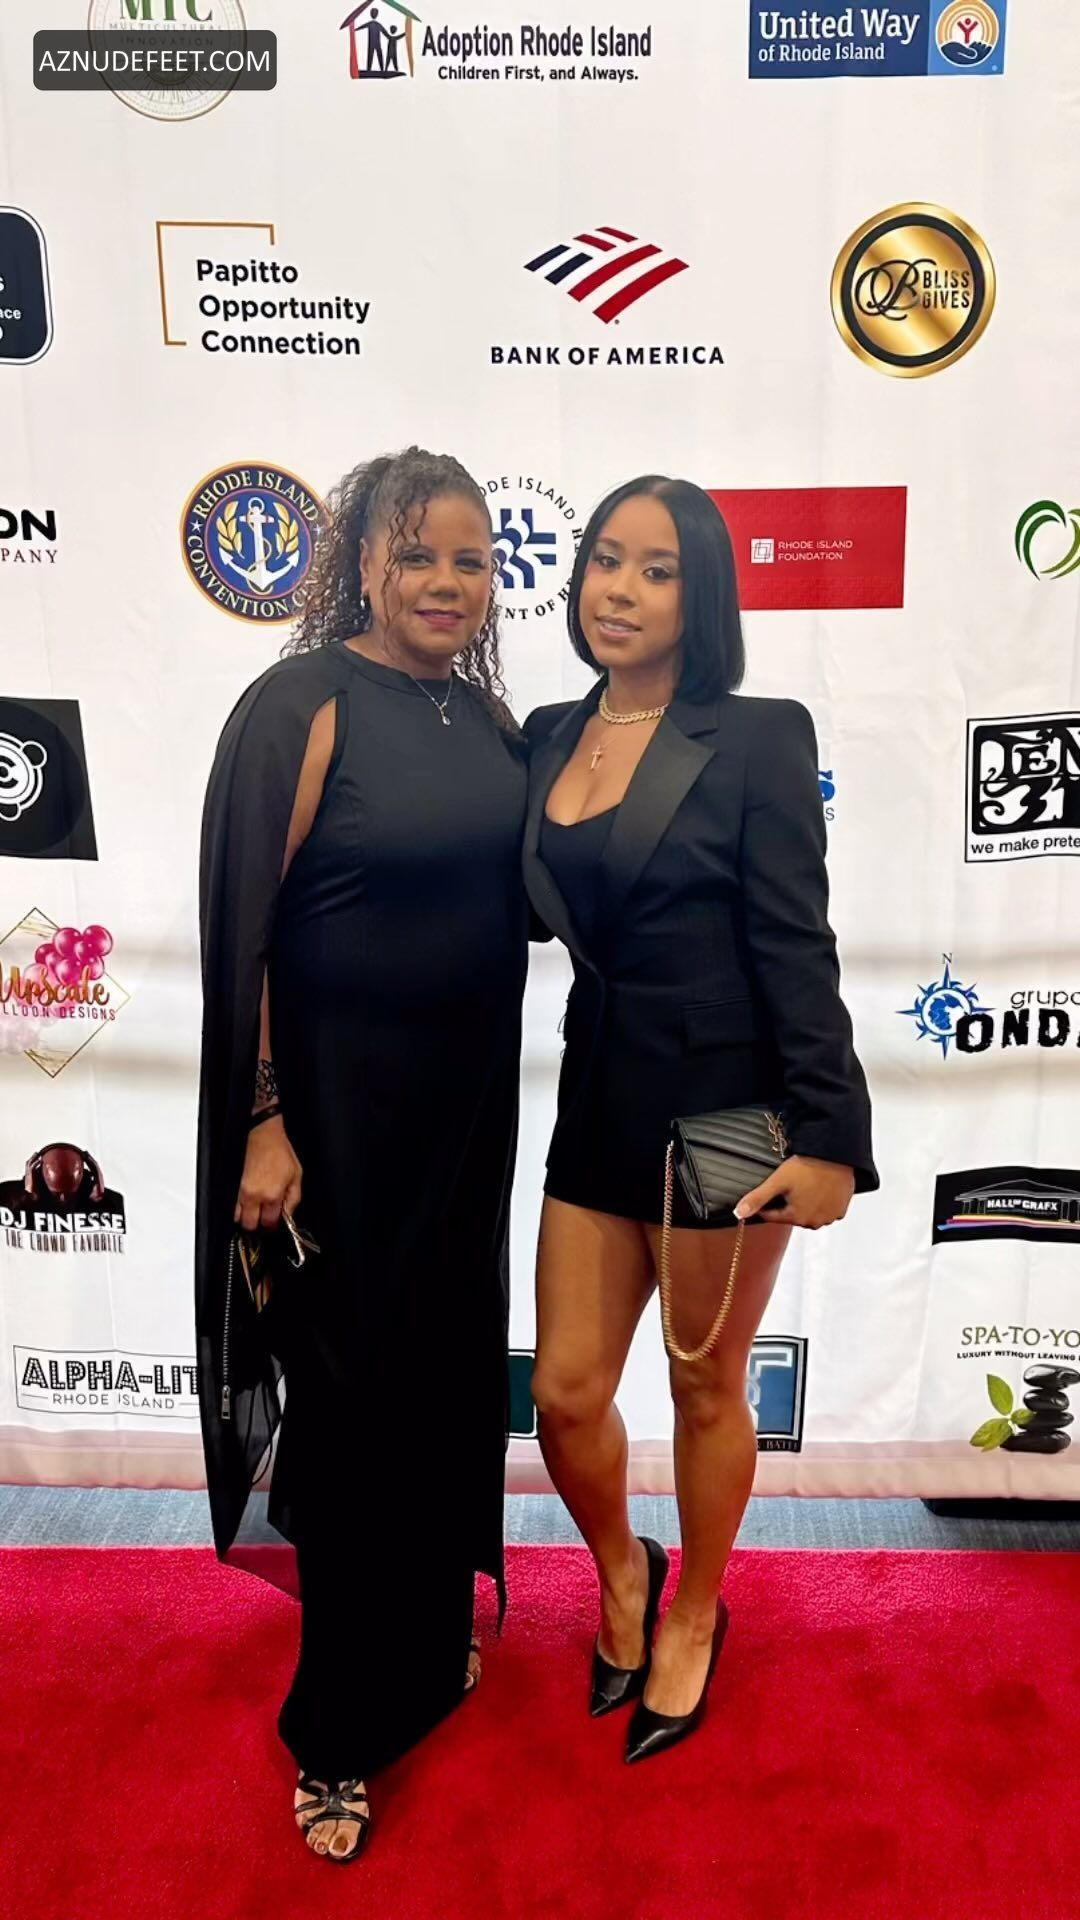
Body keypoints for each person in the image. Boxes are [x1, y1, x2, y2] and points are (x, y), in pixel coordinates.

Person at [195, 447, 529, 1862]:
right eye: (417, 555)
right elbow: (247, 928)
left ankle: (432, 1637)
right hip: (333, 1130)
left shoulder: (487, 719)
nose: (447, 583)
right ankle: (335, 1730)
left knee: (447, 1385)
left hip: (466, 1123)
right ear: (361, 562)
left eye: (471, 561)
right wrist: (264, 1118)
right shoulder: (301, 702)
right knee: (347, 1411)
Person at [522, 476, 877, 1765]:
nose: (618, 590)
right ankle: (625, 1570)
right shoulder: (546, 733)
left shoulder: (759, 736)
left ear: (702, 594)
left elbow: (796, 943)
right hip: (600, 1092)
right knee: (564, 1392)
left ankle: (694, 1612)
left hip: (731, 1110)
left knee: (703, 1382)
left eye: (656, 570)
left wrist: (830, 1138)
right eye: (604, 560)